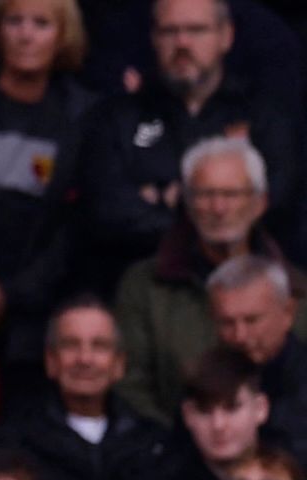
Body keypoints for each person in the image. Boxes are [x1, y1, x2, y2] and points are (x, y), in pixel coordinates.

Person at [72, 0, 307, 287]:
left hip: (249, 292)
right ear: (153, 39)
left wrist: (168, 200)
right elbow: (109, 212)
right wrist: (220, 218)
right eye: (170, 31)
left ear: (226, 36)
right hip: (139, 294)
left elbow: (277, 201)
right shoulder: (116, 118)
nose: (182, 43)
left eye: (197, 30)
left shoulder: (264, 116)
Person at [0, 298, 185, 480]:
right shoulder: (13, 442)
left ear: (119, 364)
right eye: (71, 345)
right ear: (51, 361)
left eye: (99, 346)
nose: (85, 359)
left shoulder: (153, 441)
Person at [0, 0, 96, 384]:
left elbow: (78, 227)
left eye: (41, 23)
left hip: (36, 315)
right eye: (14, 21)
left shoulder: (83, 117)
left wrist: (12, 293)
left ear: (63, 35)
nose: (25, 34)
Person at [113, 136, 282, 424]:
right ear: (188, 204)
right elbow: (130, 387)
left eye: (231, 194)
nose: (218, 207)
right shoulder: (144, 286)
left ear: (259, 203)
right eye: (205, 194)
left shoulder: (295, 291)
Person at [169, 346, 275, 480]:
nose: (218, 425)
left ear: (260, 409)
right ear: (188, 415)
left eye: (232, 408)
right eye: (205, 411)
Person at [205, 255, 307, 454]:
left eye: (252, 320)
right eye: (227, 322)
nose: (240, 335)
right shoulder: (205, 377)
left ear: (288, 312)